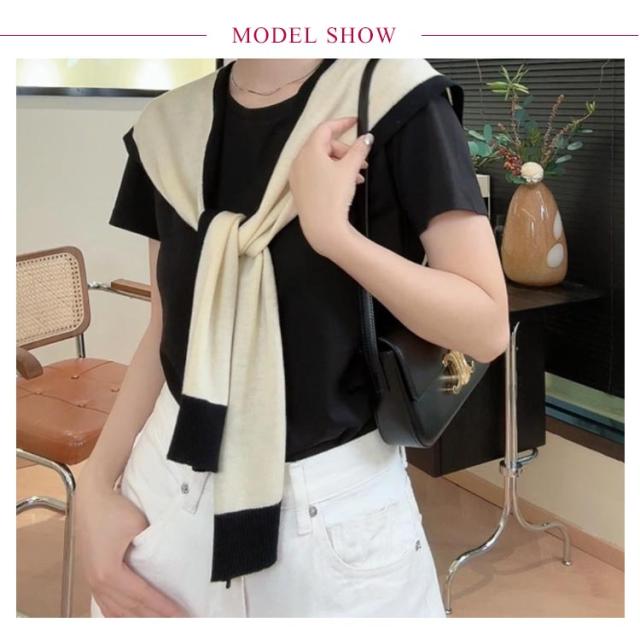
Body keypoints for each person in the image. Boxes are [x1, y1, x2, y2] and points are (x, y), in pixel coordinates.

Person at [76, 58, 510, 618]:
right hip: (165, 493)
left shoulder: (395, 100)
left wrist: (333, 235)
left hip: (333, 515)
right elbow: (165, 329)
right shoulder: (168, 129)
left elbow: (485, 327)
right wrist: (95, 487)